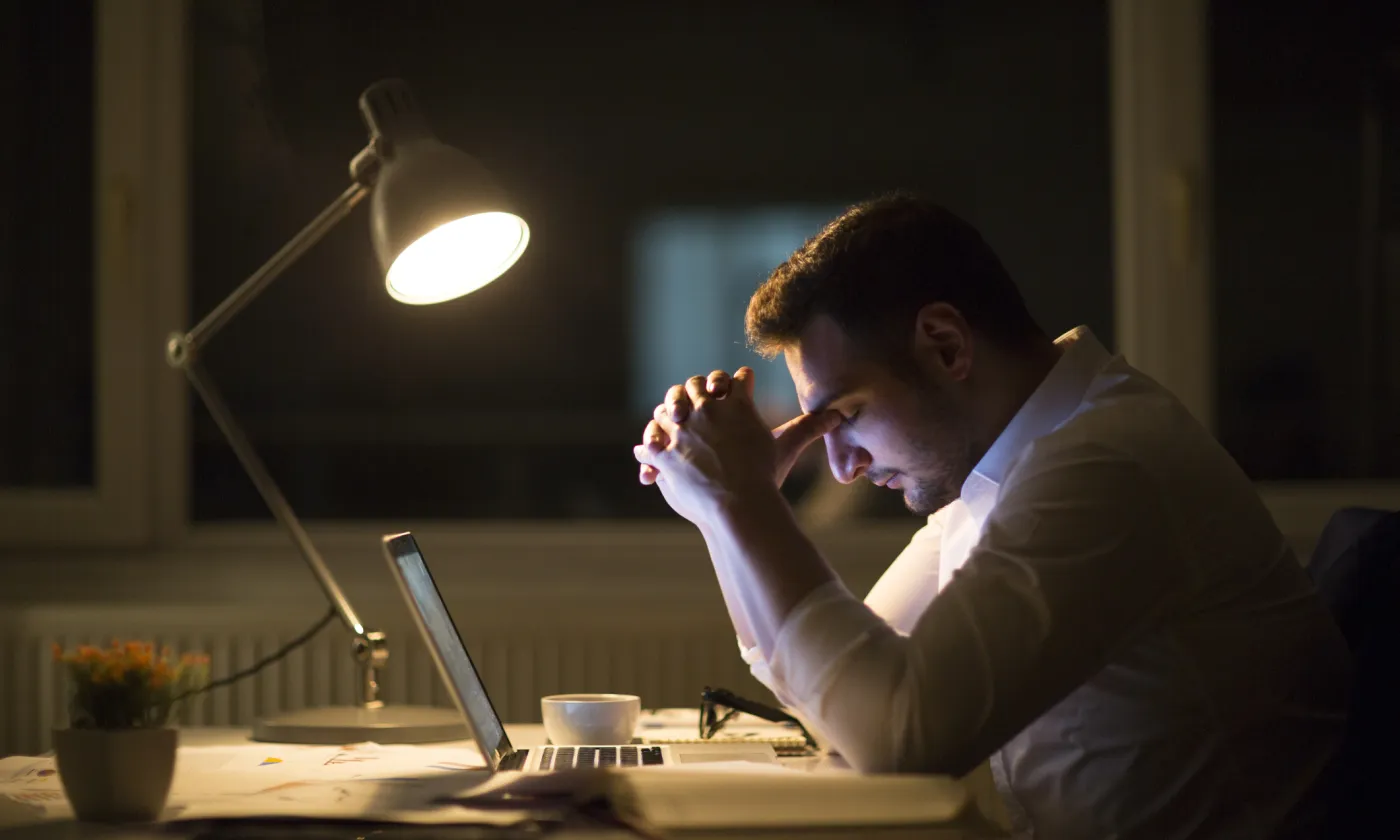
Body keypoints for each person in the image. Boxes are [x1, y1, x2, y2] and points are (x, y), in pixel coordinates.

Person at [633, 194, 1351, 839]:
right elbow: (837, 699)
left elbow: (899, 740)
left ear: (946, 346)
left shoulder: (1106, 466)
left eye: (845, 414)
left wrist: (745, 501)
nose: (843, 466)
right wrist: (722, 513)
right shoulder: (1003, 473)